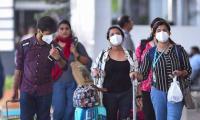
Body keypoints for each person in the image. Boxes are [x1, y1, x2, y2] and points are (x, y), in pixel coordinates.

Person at [130, 20, 191, 120]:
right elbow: (143, 74)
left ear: (169, 33)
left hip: (176, 90)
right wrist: (136, 74)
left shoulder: (179, 50)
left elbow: (188, 70)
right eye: (158, 30)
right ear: (154, 34)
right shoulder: (150, 52)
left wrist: (180, 73)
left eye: (164, 30)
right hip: (157, 91)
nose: (162, 32)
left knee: (173, 118)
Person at [12, 16, 67, 120]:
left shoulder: (55, 47)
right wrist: (14, 90)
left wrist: (58, 58)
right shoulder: (24, 45)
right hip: (26, 91)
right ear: (40, 30)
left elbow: (64, 67)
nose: (51, 36)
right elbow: (18, 69)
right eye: (48, 33)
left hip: (45, 91)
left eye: (52, 33)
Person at [91, 26, 138, 120]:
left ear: (122, 36)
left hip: (127, 92)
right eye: (112, 34)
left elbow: (136, 72)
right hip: (108, 93)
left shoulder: (131, 54)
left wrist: (138, 95)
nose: (115, 36)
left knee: (125, 118)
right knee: (109, 117)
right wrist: (95, 72)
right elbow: (93, 69)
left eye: (118, 33)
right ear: (108, 39)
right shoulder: (103, 54)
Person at [51, 20, 92, 120]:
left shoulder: (76, 45)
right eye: (61, 29)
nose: (64, 31)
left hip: (74, 83)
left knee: (71, 110)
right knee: (59, 110)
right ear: (57, 31)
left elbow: (88, 62)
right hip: (57, 83)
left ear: (70, 30)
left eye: (67, 28)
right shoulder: (52, 46)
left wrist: (76, 54)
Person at [135, 17, 165, 120]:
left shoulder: (170, 47)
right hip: (146, 87)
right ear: (152, 29)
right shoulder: (143, 45)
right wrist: (138, 90)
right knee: (149, 115)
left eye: (162, 28)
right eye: (157, 28)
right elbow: (136, 65)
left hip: (164, 87)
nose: (160, 31)